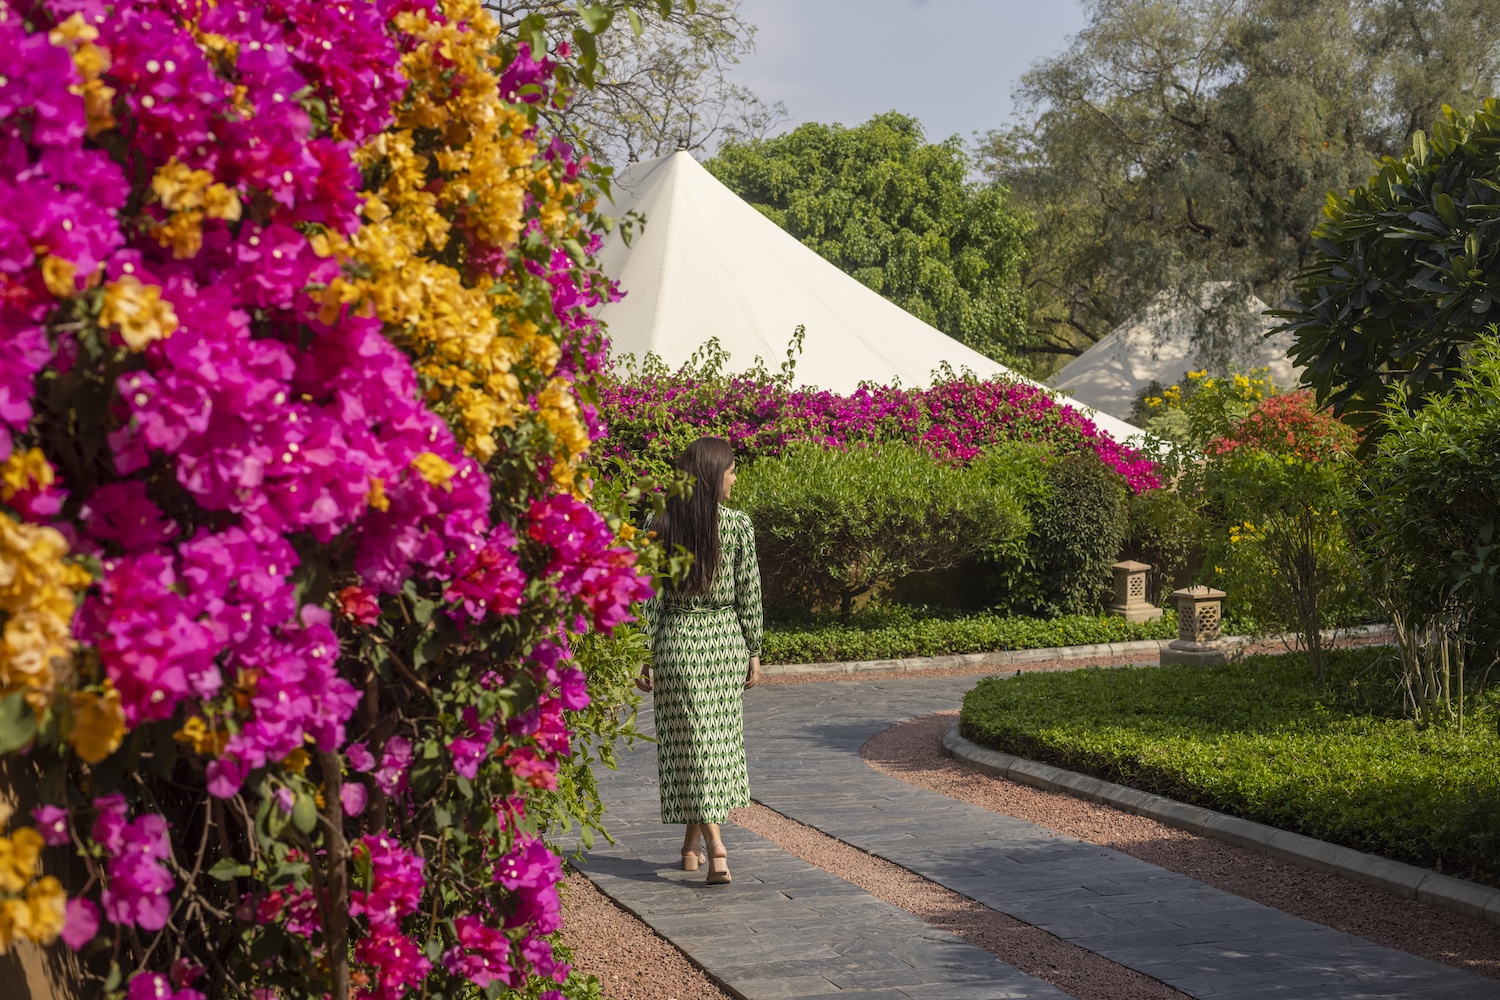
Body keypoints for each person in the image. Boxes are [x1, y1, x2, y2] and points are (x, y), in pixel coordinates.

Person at [637, 436, 763, 885]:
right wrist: (753, 647)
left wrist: (643, 649)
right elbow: (750, 591)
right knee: (712, 744)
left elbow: (646, 596)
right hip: (724, 641)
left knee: (693, 745)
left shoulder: (659, 524)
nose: (734, 477)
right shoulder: (738, 525)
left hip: (677, 643)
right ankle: (713, 845)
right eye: (730, 469)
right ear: (712, 474)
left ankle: (701, 847)